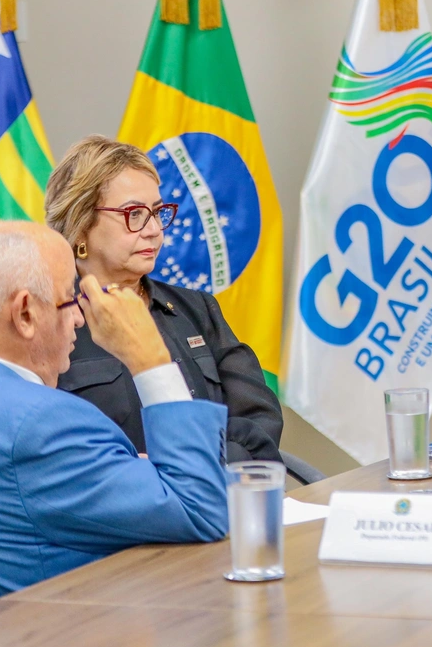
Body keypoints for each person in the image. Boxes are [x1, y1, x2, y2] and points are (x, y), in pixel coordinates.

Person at [0, 222, 228, 603]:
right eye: (69, 298)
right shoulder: (44, 426)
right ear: (25, 314)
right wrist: (150, 357)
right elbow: (202, 508)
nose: (78, 318)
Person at [45, 135, 282, 462]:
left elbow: (260, 418)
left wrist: (204, 470)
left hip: (220, 497)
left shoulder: (196, 306)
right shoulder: (50, 321)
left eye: (157, 212)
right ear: (80, 223)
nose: (155, 229)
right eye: (134, 214)